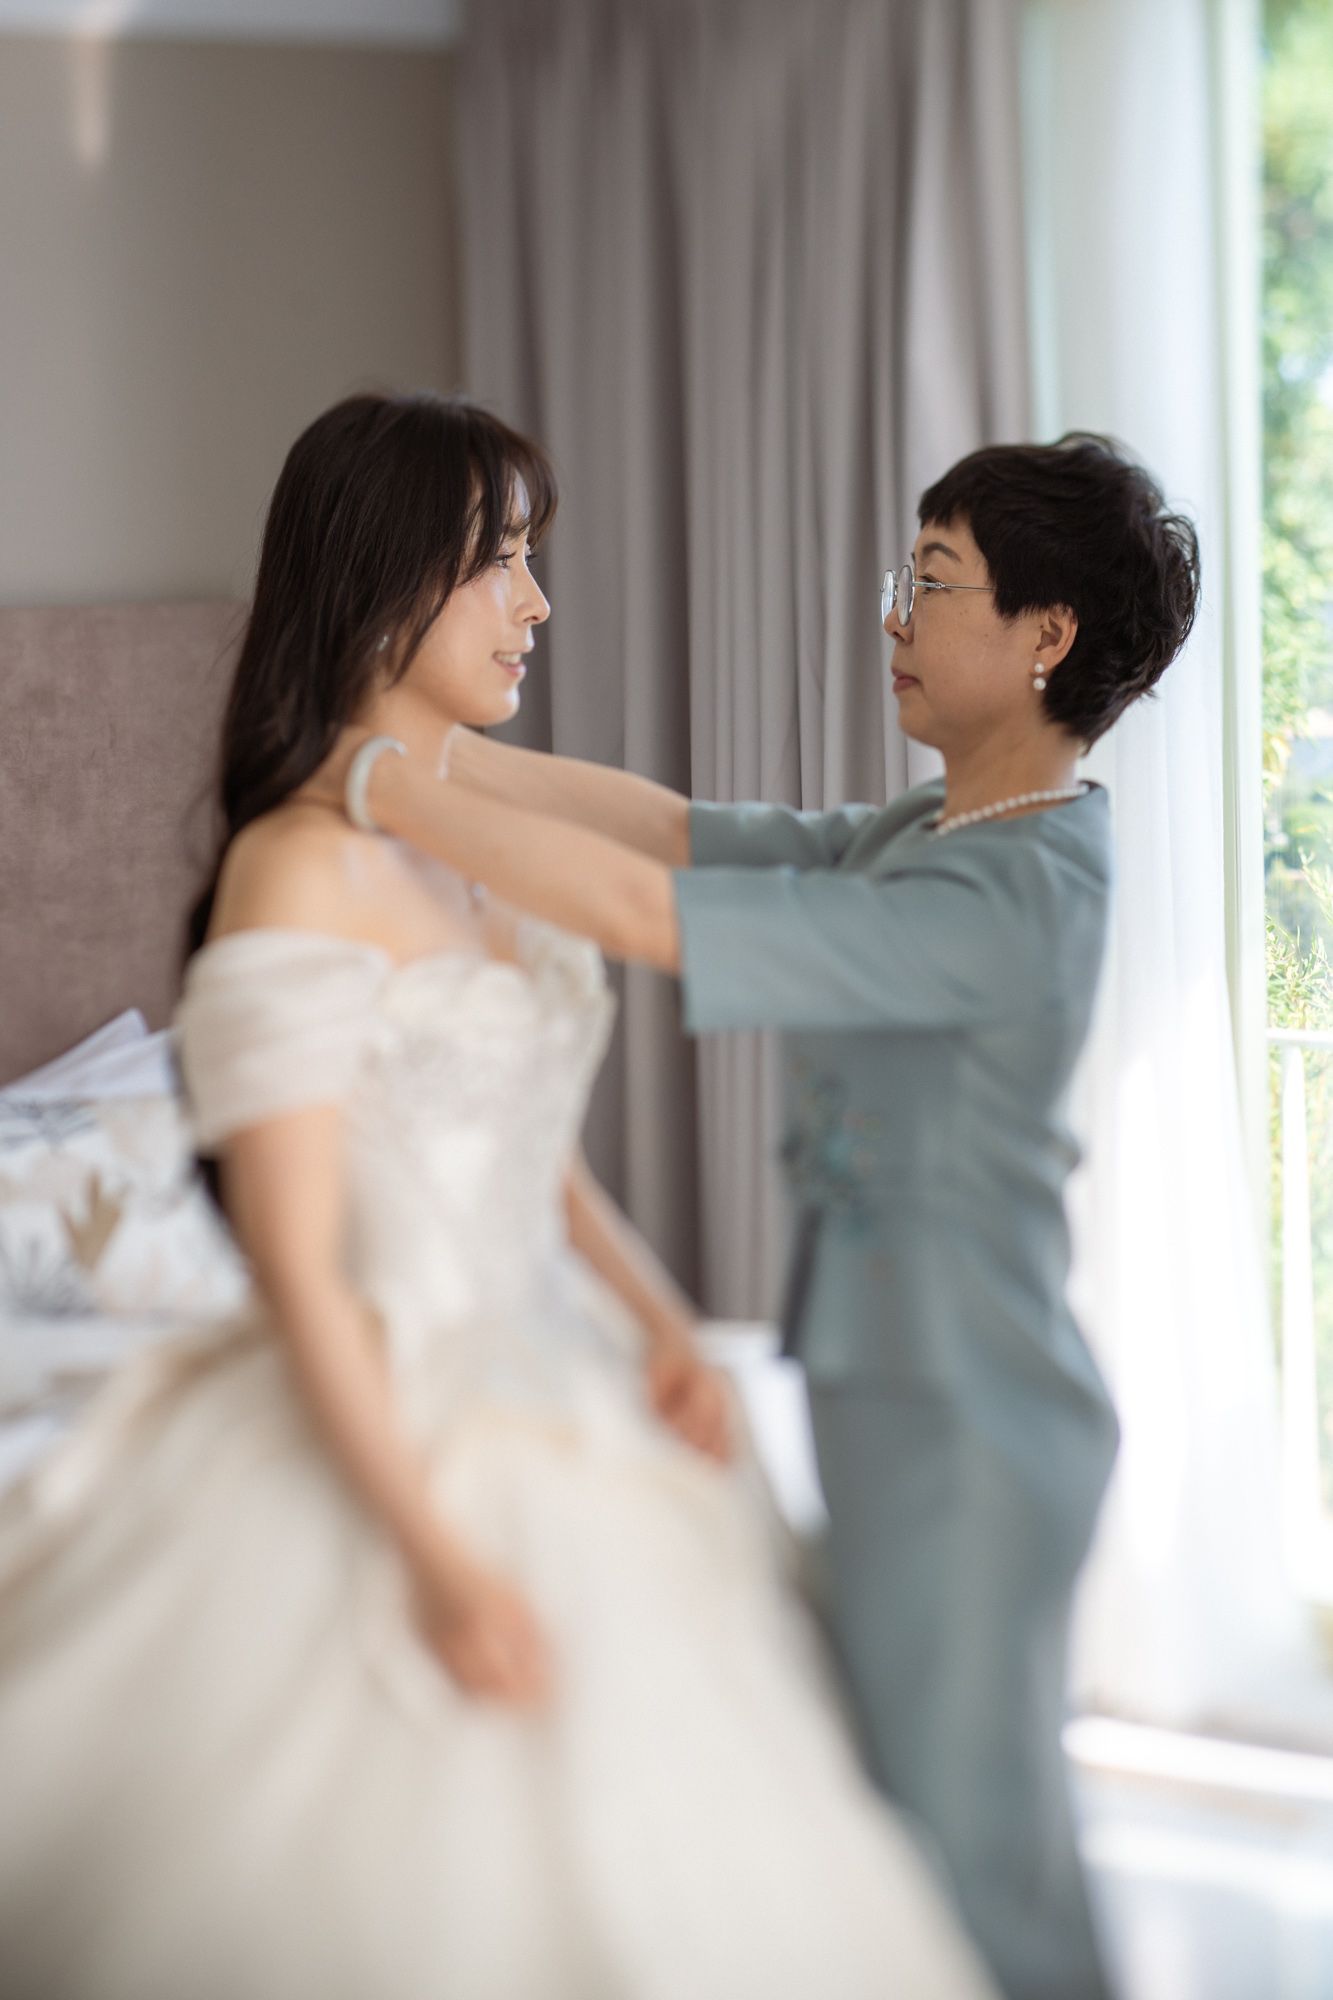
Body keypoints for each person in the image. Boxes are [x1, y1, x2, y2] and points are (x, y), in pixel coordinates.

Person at [0, 391, 998, 2000]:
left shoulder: (465, 811)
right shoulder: (300, 862)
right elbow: (305, 1272)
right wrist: (437, 1557)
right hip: (386, 1416)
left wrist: (661, 1321)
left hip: (551, 1386)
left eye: (532, 561)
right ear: (387, 579)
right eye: (502, 565)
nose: (535, 605)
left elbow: (542, 1139)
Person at [306, 431, 1202, 2000]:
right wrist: (415, 745)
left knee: (965, 1862)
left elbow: (657, 917)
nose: (892, 621)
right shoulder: (933, 834)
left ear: (1047, 636)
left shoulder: (1019, 890)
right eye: (897, 583)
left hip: (970, 1419)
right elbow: (668, 829)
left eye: (929, 588)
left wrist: (385, 788)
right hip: (903, 1395)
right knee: (910, 1827)